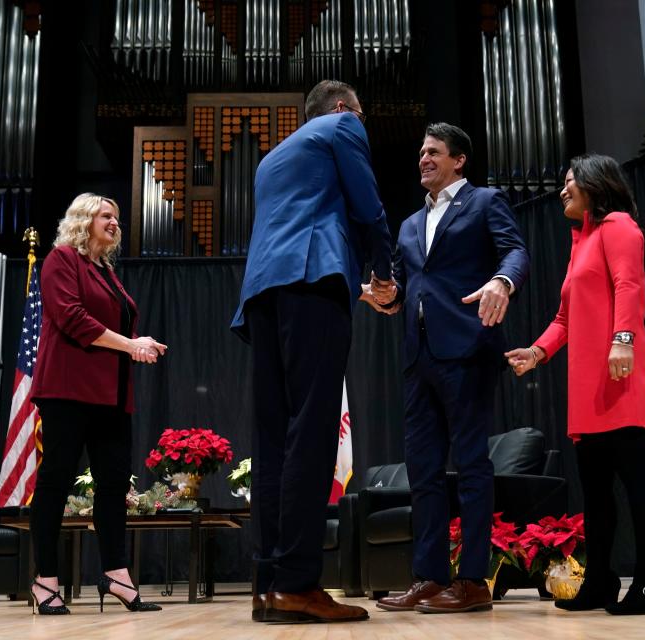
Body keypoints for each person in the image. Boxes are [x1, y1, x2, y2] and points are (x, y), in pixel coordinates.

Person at [231, 80, 395, 623]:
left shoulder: (270, 158)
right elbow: (368, 205)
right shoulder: (343, 126)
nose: (363, 125)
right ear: (346, 109)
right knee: (313, 427)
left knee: (273, 437)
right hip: (312, 279)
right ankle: (299, 584)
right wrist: (385, 273)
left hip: (262, 293)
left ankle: (268, 582)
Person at [363, 123, 528, 614]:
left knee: (472, 464)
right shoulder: (410, 223)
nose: (423, 159)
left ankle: (474, 580)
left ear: (459, 160)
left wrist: (503, 281)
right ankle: (431, 578)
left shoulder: (484, 202)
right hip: (418, 357)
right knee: (424, 472)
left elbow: (515, 250)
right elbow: (402, 284)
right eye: (420, 152)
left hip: (467, 349)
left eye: (433, 152)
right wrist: (385, 299)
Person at [505, 154, 645, 615]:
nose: (562, 190)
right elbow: (564, 318)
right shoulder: (581, 242)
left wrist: (623, 340)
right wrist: (536, 353)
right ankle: (600, 580)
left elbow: (629, 286)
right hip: (588, 390)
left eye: (569, 182)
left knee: (640, 486)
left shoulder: (619, 226)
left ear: (596, 186)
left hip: (620, 379)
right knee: (596, 494)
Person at [28, 193, 167, 615]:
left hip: (110, 396)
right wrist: (130, 345)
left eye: (117, 218)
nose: (114, 223)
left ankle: (115, 574)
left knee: (112, 487)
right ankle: (45, 580)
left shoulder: (106, 271)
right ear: (84, 220)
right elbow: (71, 317)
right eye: (106, 216)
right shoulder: (61, 259)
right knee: (56, 482)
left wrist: (134, 345)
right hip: (68, 391)